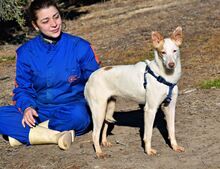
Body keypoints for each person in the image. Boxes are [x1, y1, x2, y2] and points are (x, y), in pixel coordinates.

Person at [0, 0, 100, 150]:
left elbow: (97, 81)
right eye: (45, 21)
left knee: (79, 116)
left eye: (56, 17)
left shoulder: (80, 46)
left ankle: (30, 135)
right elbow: (22, 88)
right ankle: (55, 136)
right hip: (39, 110)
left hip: (71, 107)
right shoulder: (26, 52)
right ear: (35, 25)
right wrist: (27, 108)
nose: (54, 24)